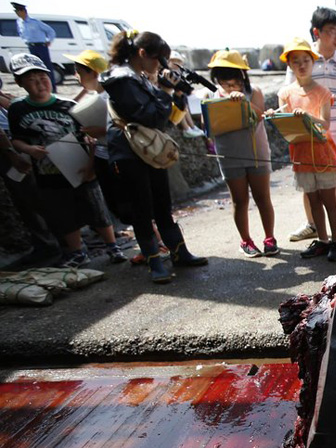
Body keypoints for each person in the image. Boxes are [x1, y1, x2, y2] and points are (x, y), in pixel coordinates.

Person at [101, 30, 207, 284]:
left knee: (162, 204)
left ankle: (179, 252)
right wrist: (166, 91)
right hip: (130, 153)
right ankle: (155, 262)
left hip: (148, 150)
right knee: (142, 208)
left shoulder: (138, 78)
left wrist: (173, 94)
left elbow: (162, 119)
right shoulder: (121, 79)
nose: (160, 66)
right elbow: (151, 117)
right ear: (142, 54)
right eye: (158, 59)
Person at [8, 53, 126, 267]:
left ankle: (113, 246)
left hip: (79, 167)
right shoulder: (17, 109)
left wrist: (91, 165)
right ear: (19, 83)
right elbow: (15, 140)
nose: (39, 83)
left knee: (96, 208)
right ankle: (78, 252)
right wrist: (28, 149)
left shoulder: (68, 105)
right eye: (31, 80)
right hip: (47, 173)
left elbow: (90, 139)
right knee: (62, 213)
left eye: (42, 77)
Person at [286, 7, 336, 244]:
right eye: (331, 31)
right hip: (311, 135)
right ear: (316, 32)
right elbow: (290, 94)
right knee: (309, 181)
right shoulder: (304, 60)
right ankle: (311, 224)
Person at [276, 37, 336, 262]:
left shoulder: (323, 92)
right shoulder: (285, 93)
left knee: (329, 200)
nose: (302, 65)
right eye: (296, 61)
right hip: (301, 154)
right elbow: (282, 120)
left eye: (306, 60)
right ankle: (322, 240)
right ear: (289, 65)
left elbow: (325, 124)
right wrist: (274, 115)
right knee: (313, 200)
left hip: (322, 154)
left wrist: (307, 116)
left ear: (313, 62)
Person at [207, 49, 277, 258]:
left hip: (256, 153)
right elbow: (208, 127)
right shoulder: (210, 96)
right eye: (225, 83)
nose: (229, 87)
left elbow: (260, 116)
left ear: (242, 77)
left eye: (234, 83)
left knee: (263, 197)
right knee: (239, 201)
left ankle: (270, 238)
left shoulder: (253, 91)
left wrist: (243, 103)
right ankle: (246, 240)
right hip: (229, 155)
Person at [66, 49, 126, 234]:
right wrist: (91, 164)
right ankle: (151, 246)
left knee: (129, 204)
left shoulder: (113, 98)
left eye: (79, 71)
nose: (77, 76)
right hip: (103, 158)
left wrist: (101, 131)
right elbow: (95, 141)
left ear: (93, 73)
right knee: (119, 206)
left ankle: (156, 245)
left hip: (120, 158)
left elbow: (128, 130)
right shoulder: (93, 99)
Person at [12, 3, 56, 93]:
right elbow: (21, 33)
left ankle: (52, 89)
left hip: (41, 46)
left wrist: (49, 40)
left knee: (46, 67)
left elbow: (50, 31)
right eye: (15, 11)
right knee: (35, 69)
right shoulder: (19, 22)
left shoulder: (35, 22)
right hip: (31, 47)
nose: (16, 13)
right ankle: (40, 88)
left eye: (17, 11)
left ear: (23, 11)